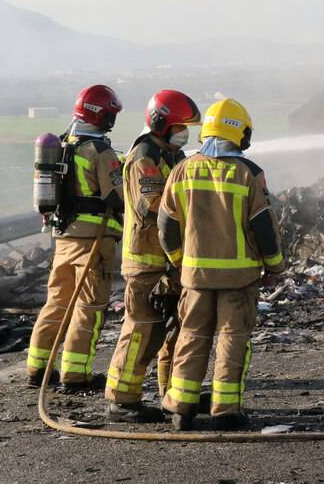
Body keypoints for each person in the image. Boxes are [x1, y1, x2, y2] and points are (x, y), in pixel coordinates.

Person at [157, 98, 285, 430]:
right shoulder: (249, 174)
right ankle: (225, 410)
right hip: (239, 278)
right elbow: (264, 228)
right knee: (232, 339)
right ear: (241, 133)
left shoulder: (182, 170)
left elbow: (166, 225)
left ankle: (181, 408)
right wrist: (274, 267)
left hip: (194, 277)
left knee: (191, 335)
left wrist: (178, 262)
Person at [104, 89, 201, 421]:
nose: (184, 133)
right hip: (146, 260)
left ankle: (173, 394)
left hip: (169, 259)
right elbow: (155, 207)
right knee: (142, 330)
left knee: (171, 330)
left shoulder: (172, 154)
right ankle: (121, 399)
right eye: (179, 126)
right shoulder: (145, 156)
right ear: (161, 124)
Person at [27, 85, 125, 390]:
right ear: (101, 114)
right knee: (89, 307)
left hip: (65, 237)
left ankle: (37, 369)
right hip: (93, 241)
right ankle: (76, 374)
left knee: (56, 303)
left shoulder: (64, 144)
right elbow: (120, 197)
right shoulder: (101, 152)